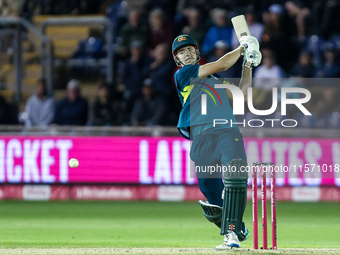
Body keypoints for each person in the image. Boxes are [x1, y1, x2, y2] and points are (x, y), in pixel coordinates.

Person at [172, 34, 261, 249]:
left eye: (191, 49)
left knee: (235, 175)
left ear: (197, 52)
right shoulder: (184, 74)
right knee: (209, 189)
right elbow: (222, 63)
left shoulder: (214, 81)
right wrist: (241, 49)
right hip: (202, 136)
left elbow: (244, 95)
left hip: (227, 131)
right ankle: (236, 228)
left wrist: (248, 63)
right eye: (182, 52)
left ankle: (231, 234)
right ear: (178, 59)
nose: (188, 53)